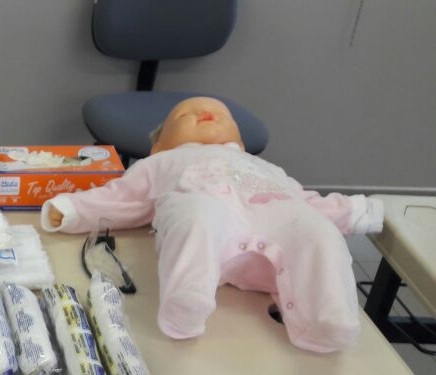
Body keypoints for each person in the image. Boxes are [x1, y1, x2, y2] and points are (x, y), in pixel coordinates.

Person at [42, 96, 383, 353]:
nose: (205, 113)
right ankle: (188, 298)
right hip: (214, 238)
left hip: (279, 227)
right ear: (158, 146)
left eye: (223, 114)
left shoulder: (266, 168)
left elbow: (307, 201)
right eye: (184, 115)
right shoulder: (162, 162)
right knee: (193, 214)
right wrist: (72, 209)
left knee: (316, 230)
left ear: (241, 142)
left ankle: (331, 317)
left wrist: (358, 210)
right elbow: (122, 197)